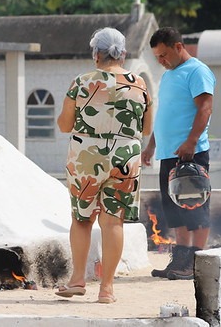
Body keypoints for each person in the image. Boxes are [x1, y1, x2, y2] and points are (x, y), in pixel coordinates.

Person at [55, 27, 152, 304]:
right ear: (123, 54)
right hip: (126, 156)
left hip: (87, 156)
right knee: (113, 221)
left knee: (82, 219)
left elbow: (64, 125)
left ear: (96, 54)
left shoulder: (82, 81)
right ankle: (107, 288)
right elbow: (146, 128)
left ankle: (77, 280)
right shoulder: (140, 83)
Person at [141, 27, 215, 280]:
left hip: (190, 153)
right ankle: (180, 261)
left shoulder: (197, 71)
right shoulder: (169, 75)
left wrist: (191, 142)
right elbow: (165, 114)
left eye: (163, 55)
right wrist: (151, 145)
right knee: (174, 210)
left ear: (178, 47)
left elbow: (205, 108)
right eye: (156, 57)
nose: (160, 61)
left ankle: (195, 263)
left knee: (195, 209)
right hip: (168, 153)